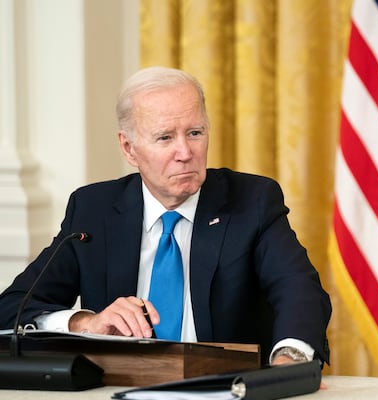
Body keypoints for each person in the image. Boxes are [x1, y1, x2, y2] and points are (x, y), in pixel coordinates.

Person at [0, 66, 331, 367]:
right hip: (118, 387)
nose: (185, 153)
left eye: (195, 133)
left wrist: (289, 361)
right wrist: (85, 324)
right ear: (129, 148)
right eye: (165, 138)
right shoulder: (93, 209)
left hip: (225, 388)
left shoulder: (252, 201)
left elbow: (299, 291)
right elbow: (12, 307)